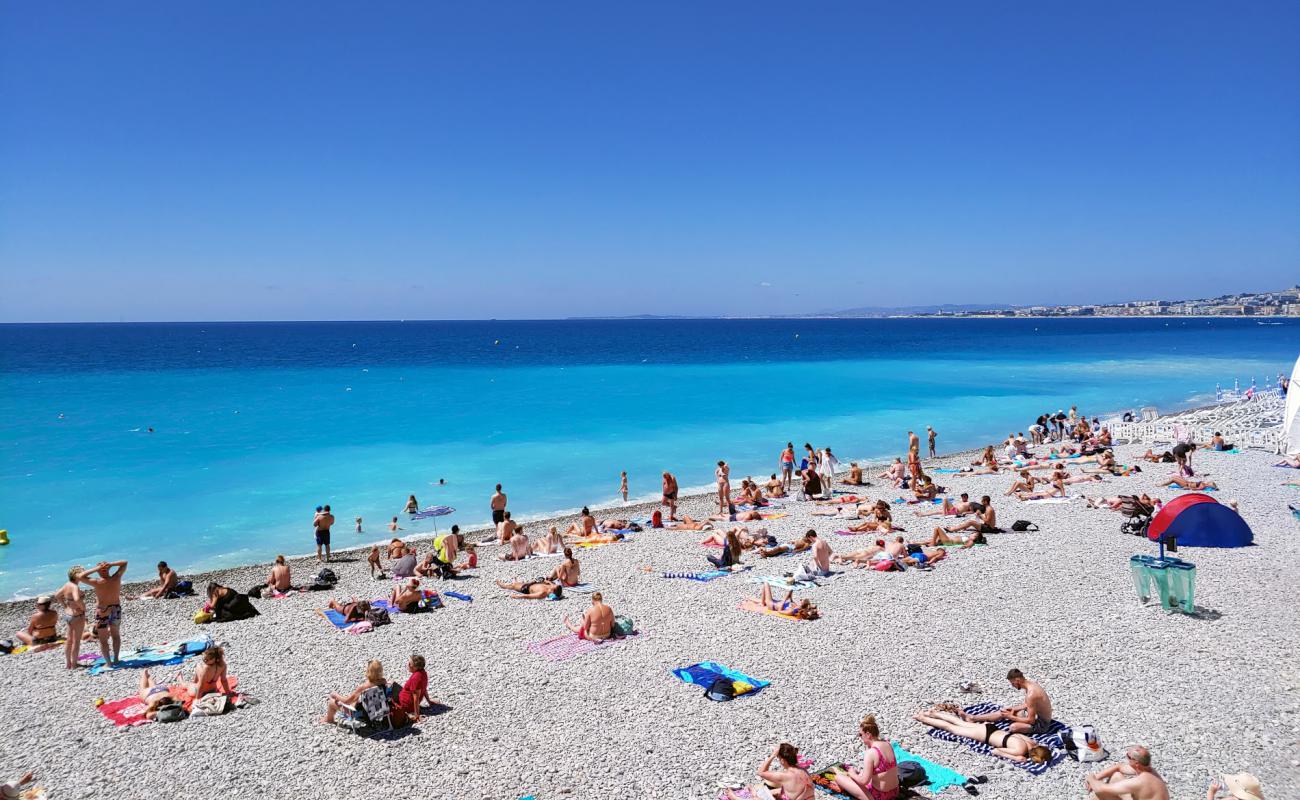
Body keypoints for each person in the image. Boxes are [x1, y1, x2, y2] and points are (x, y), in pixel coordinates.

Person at [913, 707, 1052, 764]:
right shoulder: (1020, 750)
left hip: (991, 728)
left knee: (957, 722)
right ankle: (922, 718)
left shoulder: (1032, 742)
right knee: (952, 728)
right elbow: (995, 750)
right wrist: (1016, 757)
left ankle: (933, 713)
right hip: (985, 736)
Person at [965, 669, 1053, 734]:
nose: (1013, 686)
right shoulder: (1031, 685)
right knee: (1004, 711)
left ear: (1017, 680)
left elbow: (1031, 721)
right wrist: (1012, 709)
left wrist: (1011, 717)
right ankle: (973, 718)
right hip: (1036, 715)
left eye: (1013, 683)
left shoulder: (1031, 694)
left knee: (1013, 727)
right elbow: (1029, 705)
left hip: (1042, 724)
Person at [833, 715, 899, 800]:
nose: (860, 737)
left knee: (839, 778)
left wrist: (851, 773)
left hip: (880, 796)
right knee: (861, 774)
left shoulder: (871, 753)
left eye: (860, 734)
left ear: (868, 734)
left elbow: (864, 781)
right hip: (895, 791)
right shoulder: (887, 744)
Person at [77, 560, 127, 664]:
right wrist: (110, 565)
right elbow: (125, 563)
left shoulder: (97, 582)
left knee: (103, 640)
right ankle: (116, 659)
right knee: (116, 635)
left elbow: (80, 576)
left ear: (99, 572)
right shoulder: (116, 578)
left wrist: (97, 569)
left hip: (103, 611)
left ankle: (109, 663)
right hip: (115, 609)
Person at [723, 743, 814, 800]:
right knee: (773, 792)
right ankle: (756, 793)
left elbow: (761, 772)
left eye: (779, 758)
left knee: (756, 799)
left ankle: (734, 798)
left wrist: (772, 756)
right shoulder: (803, 770)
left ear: (782, 760)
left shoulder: (785, 776)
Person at [1083, 745, 1169, 800]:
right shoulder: (1148, 770)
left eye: (1128, 756)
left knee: (1101, 793)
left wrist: (1090, 778)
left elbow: (1100, 789)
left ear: (1136, 763)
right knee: (1116, 776)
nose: (1126, 758)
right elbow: (1119, 767)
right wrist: (1097, 777)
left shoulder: (1139, 781)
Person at [321, 659, 388, 725]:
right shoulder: (383, 681)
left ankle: (329, 719)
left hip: (362, 715)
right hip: (378, 711)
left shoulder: (363, 687)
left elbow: (346, 701)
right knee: (356, 701)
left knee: (332, 702)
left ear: (368, 671)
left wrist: (335, 695)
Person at [54, 567, 87, 669]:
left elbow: (57, 595)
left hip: (68, 614)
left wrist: (64, 605)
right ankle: (74, 664)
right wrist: (83, 608)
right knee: (76, 641)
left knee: (69, 640)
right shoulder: (75, 587)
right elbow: (77, 599)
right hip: (77, 615)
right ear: (77, 575)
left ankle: (68, 663)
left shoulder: (67, 585)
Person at [394, 654, 433, 725]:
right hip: (407, 700)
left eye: (410, 664)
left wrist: (416, 715)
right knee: (392, 684)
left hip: (406, 705)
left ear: (416, 667)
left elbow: (416, 698)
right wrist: (429, 701)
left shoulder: (416, 679)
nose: (408, 665)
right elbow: (423, 689)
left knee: (389, 689)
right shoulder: (423, 673)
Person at [750, 583, 819, 620]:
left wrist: (784, 600)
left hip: (772, 605)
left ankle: (762, 603)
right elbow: (791, 602)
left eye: (801, 601)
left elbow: (780, 611)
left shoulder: (792, 611)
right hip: (776, 602)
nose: (800, 600)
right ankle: (763, 601)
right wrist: (790, 594)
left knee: (766, 584)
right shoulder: (797, 607)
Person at [495, 578, 563, 600]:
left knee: (513, 586)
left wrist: (517, 596)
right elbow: (550, 583)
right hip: (532, 584)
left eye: (554, 585)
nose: (553, 584)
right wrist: (546, 581)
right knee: (519, 583)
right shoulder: (551, 587)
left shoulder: (543, 593)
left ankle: (503, 586)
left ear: (553, 591)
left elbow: (528, 596)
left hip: (526, 588)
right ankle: (517, 582)